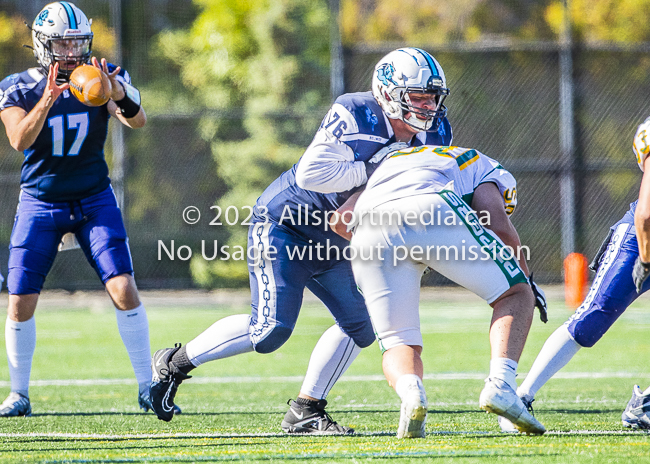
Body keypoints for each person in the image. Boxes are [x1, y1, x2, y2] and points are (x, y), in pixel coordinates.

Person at [149, 48, 454, 433]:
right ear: (389, 92)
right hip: (287, 223)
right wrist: (376, 169)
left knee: (361, 324)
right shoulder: (356, 112)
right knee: (270, 331)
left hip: (339, 235)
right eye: (418, 97)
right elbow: (313, 175)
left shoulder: (437, 131)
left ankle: (306, 409)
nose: (428, 107)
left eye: (433, 97)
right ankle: (175, 361)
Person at [0, 2, 173, 417]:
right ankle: (18, 393)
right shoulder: (17, 86)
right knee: (21, 298)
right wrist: (48, 98)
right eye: (62, 43)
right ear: (44, 45)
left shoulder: (98, 75)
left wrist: (117, 94)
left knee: (123, 288)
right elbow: (19, 140)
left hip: (94, 198)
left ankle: (148, 387)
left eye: (77, 42)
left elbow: (138, 120)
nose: (71, 51)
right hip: (40, 200)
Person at [344, 144, 547, 437]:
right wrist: (525, 276)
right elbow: (496, 220)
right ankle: (502, 386)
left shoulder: (393, 161)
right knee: (516, 294)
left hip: (366, 229)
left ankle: (412, 394)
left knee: (397, 341)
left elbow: (342, 219)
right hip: (429, 205)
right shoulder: (483, 163)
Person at [497, 115, 650, 432]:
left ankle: (644, 404)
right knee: (591, 318)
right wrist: (646, 260)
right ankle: (521, 397)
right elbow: (647, 214)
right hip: (639, 240)